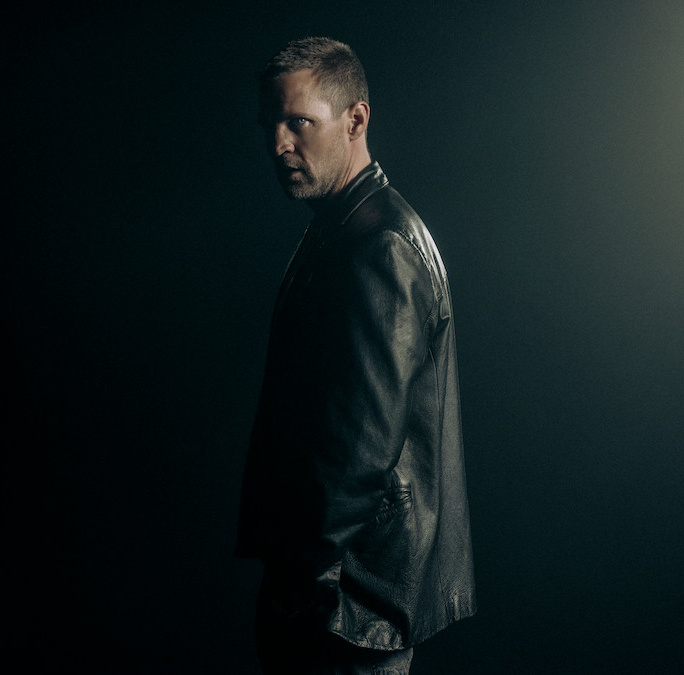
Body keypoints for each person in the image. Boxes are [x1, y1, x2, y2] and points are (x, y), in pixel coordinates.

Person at [235, 37, 476, 674]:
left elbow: (361, 449)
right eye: (272, 125)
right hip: (337, 598)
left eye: (299, 122)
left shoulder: (381, 246)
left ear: (356, 119)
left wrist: (303, 579)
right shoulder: (344, 229)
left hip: (347, 606)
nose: (278, 143)